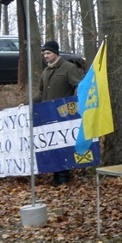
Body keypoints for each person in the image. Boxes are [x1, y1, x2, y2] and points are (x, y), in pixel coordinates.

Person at [36, 40, 83, 185]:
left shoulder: (69, 68)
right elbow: (41, 93)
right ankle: (55, 175)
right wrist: (27, 104)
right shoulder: (45, 71)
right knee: (52, 146)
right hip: (47, 115)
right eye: (44, 53)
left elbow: (78, 86)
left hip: (64, 115)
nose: (46, 56)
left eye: (48, 53)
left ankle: (63, 176)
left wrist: (73, 104)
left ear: (56, 53)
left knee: (63, 145)